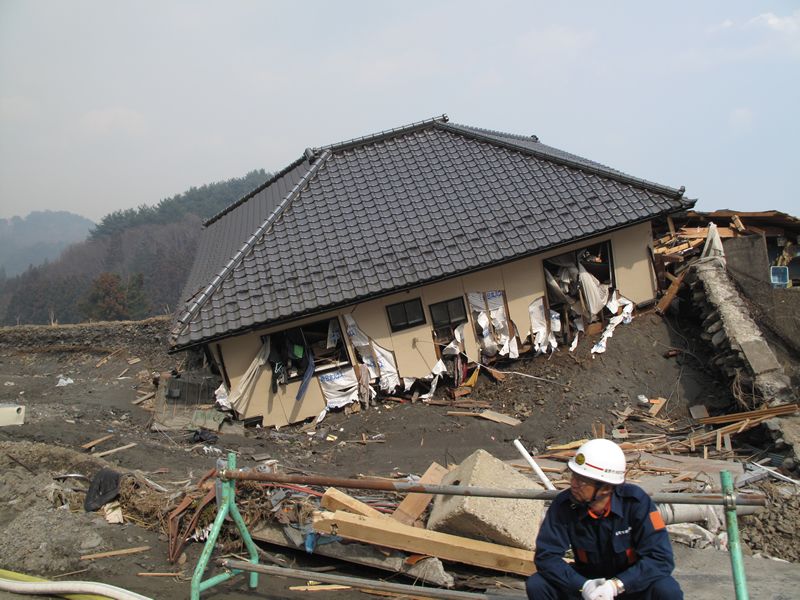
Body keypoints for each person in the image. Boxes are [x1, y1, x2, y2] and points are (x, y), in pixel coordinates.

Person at [526, 439, 683, 599]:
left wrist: (617, 586)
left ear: (606, 488)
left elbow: (661, 559)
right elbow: (546, 557)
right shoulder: (564, 506)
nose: (573, 484)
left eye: (581, 481)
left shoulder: (636, 504)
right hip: (587, 587)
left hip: (630, 587)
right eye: (573, 476)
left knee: (666, 590)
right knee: (538, 584)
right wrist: (583, 586)